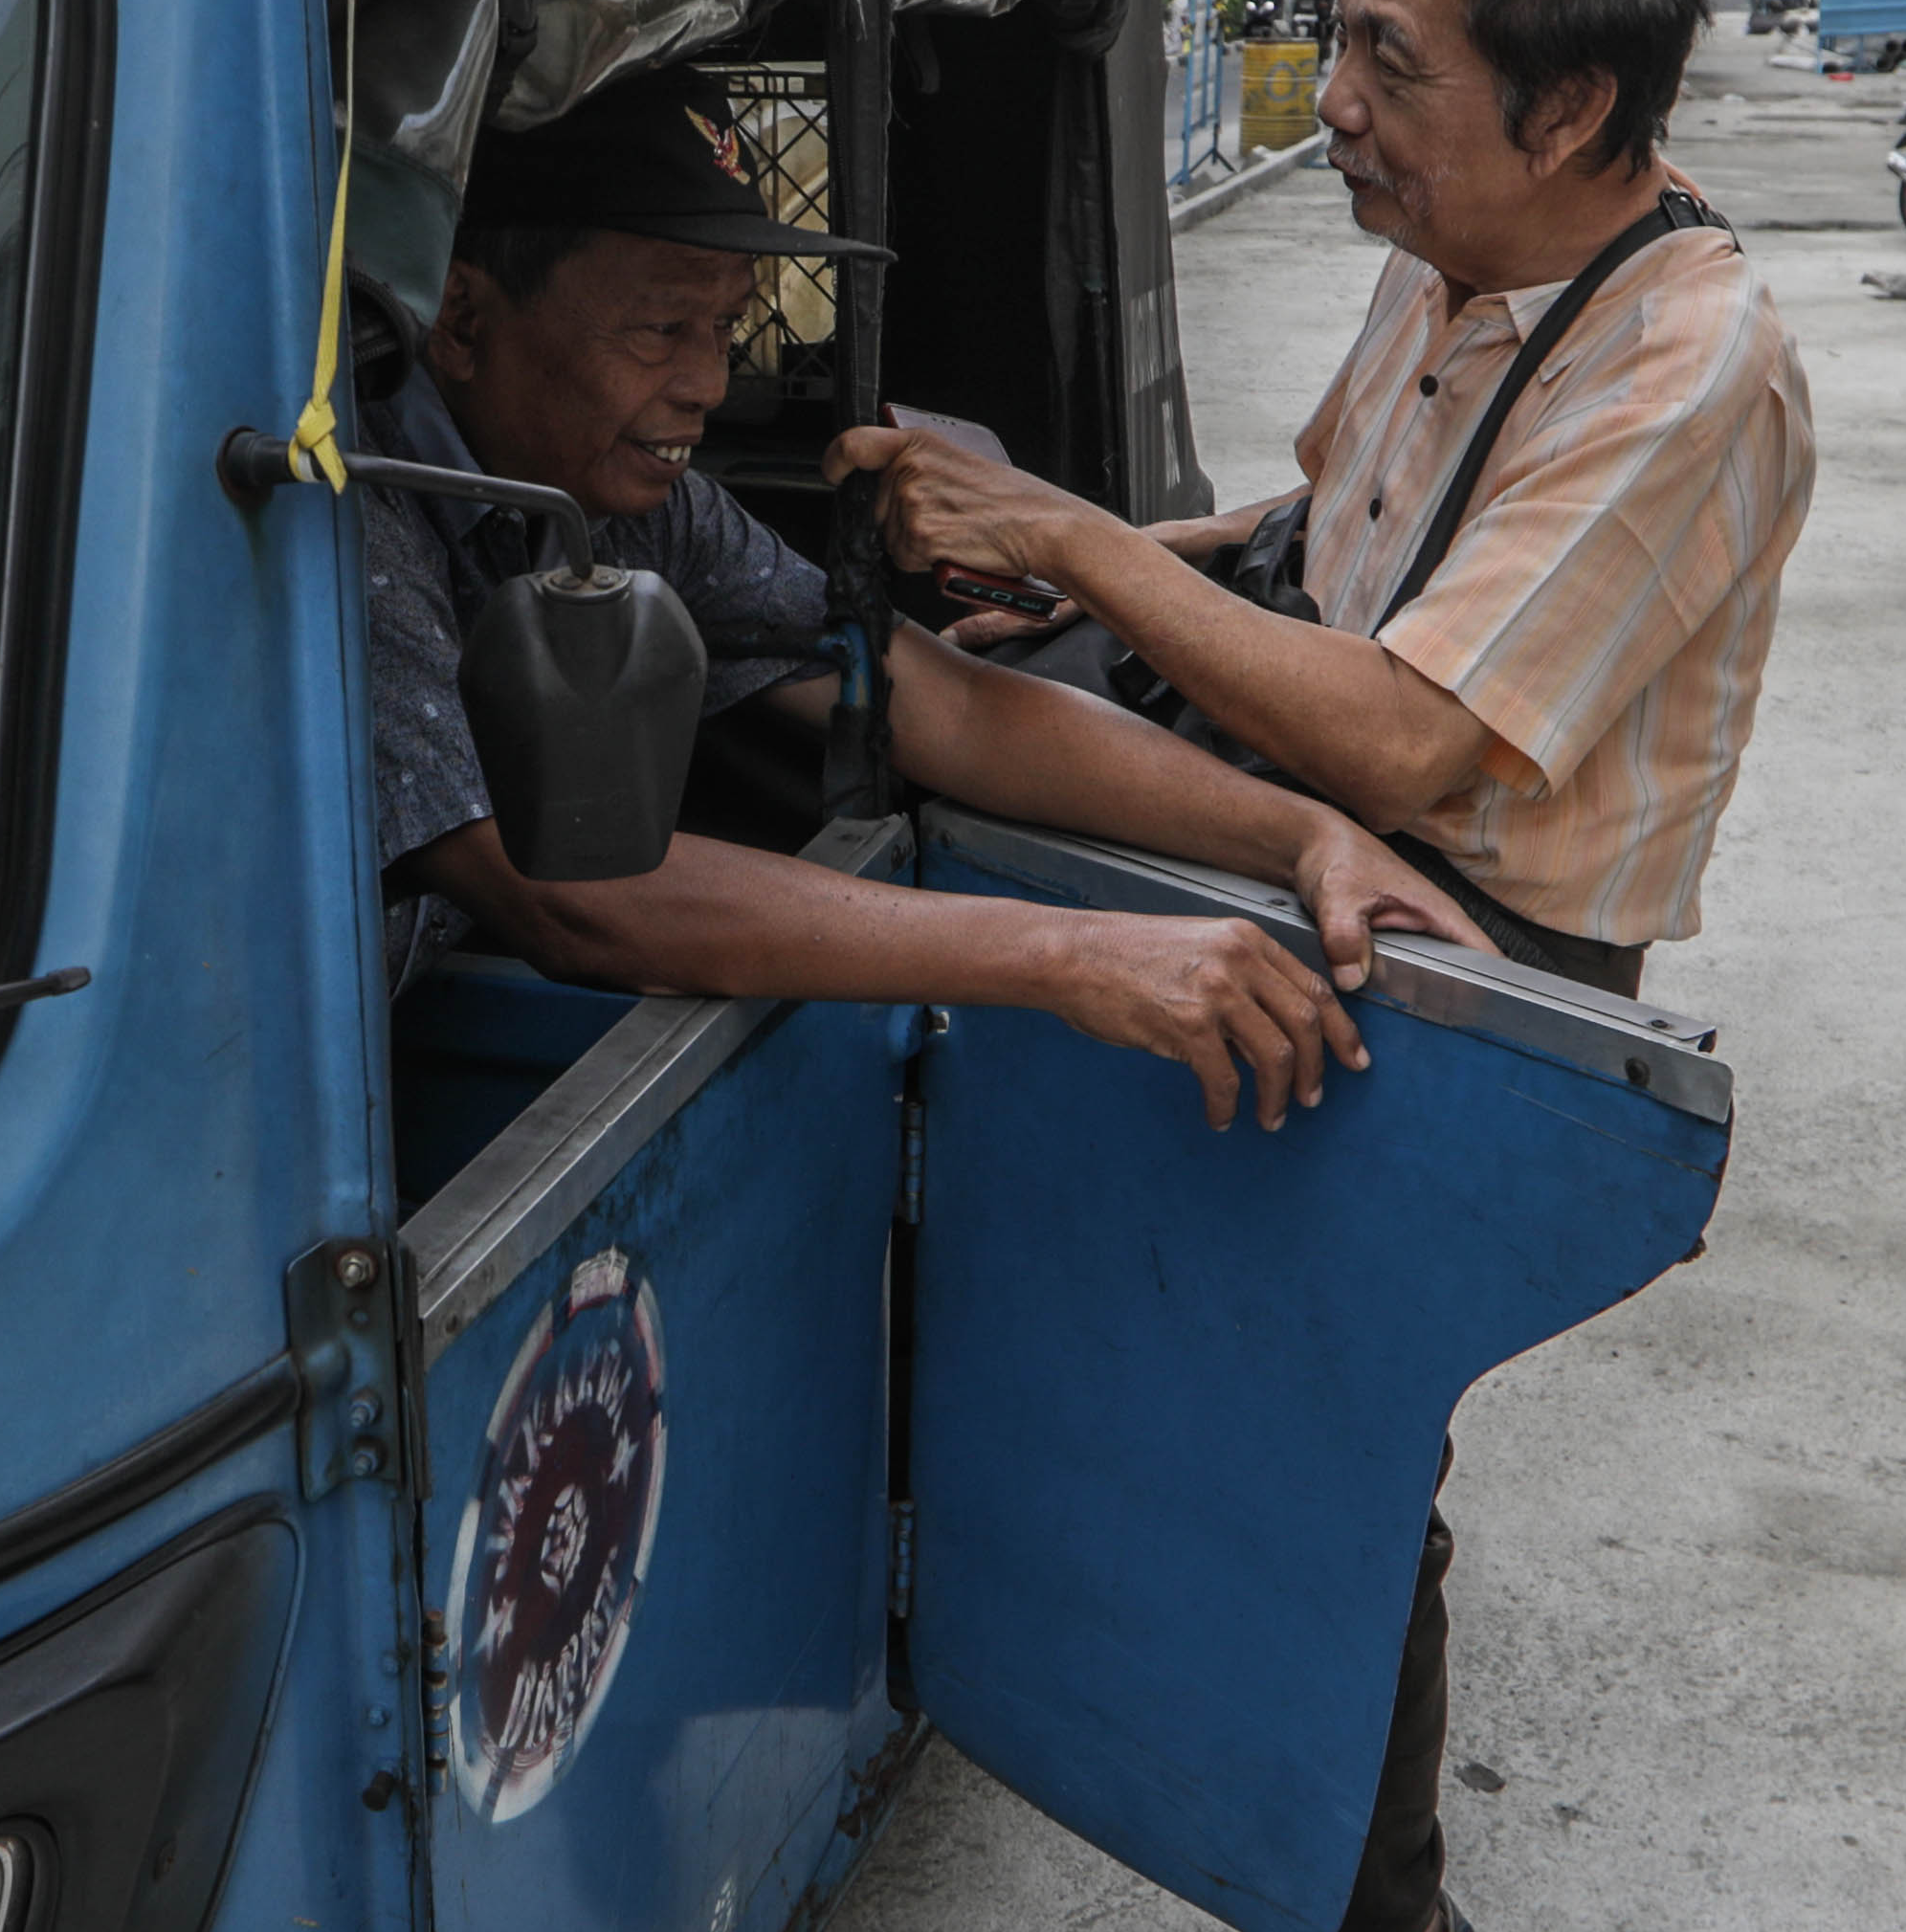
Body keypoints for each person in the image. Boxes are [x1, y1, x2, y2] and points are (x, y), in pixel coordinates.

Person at [830, 0, 1815, 1932]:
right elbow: (1316, 535)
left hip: (1476, 918)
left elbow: (1394, 718)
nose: (1331, 103)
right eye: (1333, 37)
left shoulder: (1682, 363)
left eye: (1381, 59)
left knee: (1319, 1390)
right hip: (1320, 825)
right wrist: (1091, 580)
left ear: (1566, 105)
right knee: (1195, 1325)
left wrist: (1067, 528)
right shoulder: (1449, 247)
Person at [365, 76, 1481, 1144]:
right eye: (660, 331)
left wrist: (1303, 834)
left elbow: (926, 695)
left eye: (726, 329)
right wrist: (1068, 955)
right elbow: (565, 896)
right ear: (461, 318)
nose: (705, 384)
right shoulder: (353, 511)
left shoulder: (636, 503)